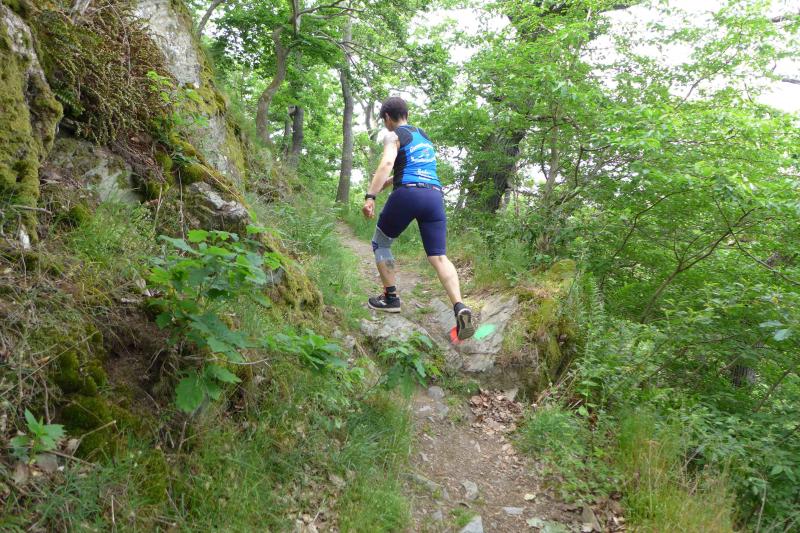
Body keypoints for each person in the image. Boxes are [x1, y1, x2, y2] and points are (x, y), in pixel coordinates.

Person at [361, 96, 476, 340]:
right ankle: (459, 306)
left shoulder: (393, 135)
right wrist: (387, 183)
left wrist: (370, 196)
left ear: (387, 118)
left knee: (381, 243)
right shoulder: (424, 136)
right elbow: (411, 168)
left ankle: (390, 298)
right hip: (434, 196)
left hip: (408, 194)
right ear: (407, 115)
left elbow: (388, 162)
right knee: (439, 256)